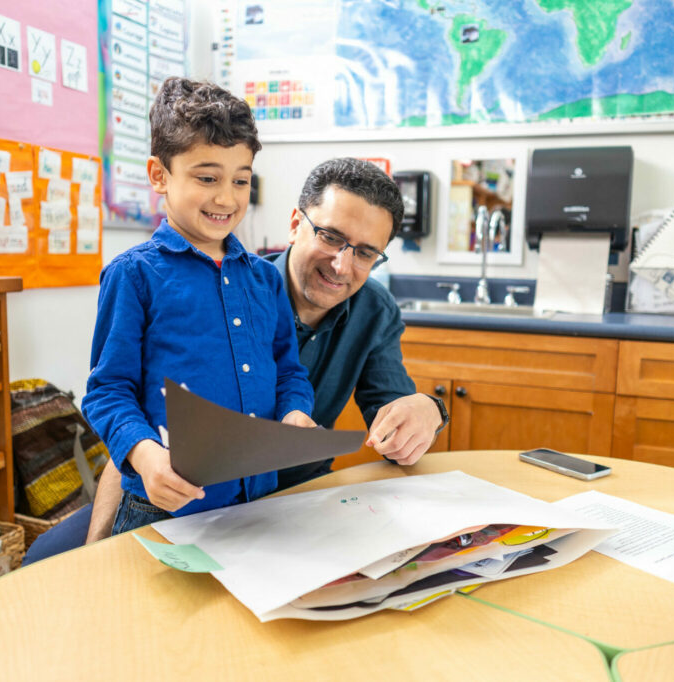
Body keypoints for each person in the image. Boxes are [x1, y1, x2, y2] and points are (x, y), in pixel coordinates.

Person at [24, 158, 447, 564]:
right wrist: (101, 547)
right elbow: (128, 406)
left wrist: (429, 408)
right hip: (179, 494)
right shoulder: (219, 288)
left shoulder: (375, 309)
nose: (342, 265)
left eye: (365, 253)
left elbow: (394, 415)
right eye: (331, 237)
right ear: (296, 223)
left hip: (292, 499)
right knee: (46, 559)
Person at [79, 76, 316, 537]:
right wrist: (146, 456)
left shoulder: (265, 279)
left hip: (256, 502)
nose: (226, 197)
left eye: (241, 180)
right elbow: (107, 392)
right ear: (159, 176)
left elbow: (289, 373)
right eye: (207, 178)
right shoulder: (134, 275)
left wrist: (294, 414)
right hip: (163, 510)